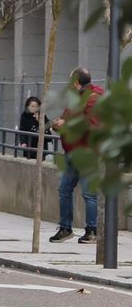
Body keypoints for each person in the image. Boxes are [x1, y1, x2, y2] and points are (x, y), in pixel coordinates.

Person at [50, 68, 104, 245]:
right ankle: (65, 228)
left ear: (76, 81)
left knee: (89, 194)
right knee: (64, 190)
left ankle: (92, 230)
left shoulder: (94, 98)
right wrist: (58, 125)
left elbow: (93, 125)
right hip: (71, 152)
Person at [18, 96, 43, 161]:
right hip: (28, 145)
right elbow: (22, 130)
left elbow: (47, 132)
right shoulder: (24, 115)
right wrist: (23, 142)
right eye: (32, 106)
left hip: (39, 146)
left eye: (36, 106)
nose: (34, 108)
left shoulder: (42, 115)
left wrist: (39, 122)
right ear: (27, 106)